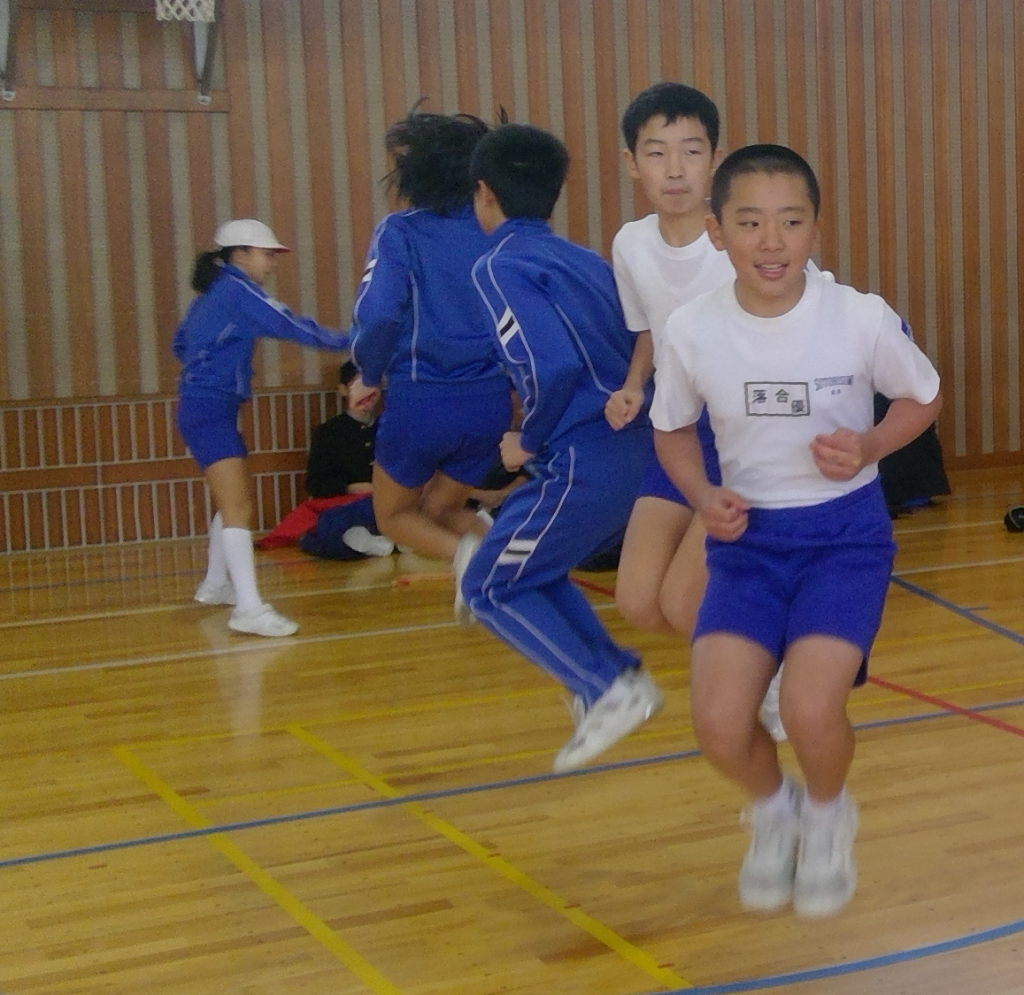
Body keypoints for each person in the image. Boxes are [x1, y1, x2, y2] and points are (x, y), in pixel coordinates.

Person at [651, 145, 941, 917]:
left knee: (812, 708)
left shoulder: (858, 316)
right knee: (719, 724)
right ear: (717, 231)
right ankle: (774, 809)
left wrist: (869, 446)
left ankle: (826, 813)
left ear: (816, 227)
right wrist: (702, 492)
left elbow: (922, 397)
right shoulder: (691, 329)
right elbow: (671, 429)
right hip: (745, 548)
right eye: (750, 222)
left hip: (843, 542)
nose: (772, 241)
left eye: (791, 220)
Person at [461, 123, 663, 772]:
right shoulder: (587, 261)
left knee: (488, 586)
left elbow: (551, 366)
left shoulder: (498, 265)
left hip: (581, 455)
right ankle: (610, 677)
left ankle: (606, 687)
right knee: (531, 572)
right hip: (634, 451)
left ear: (484, 193)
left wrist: (527, 440)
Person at [607, 82, 790, 741]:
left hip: (744, 430)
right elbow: (650, 331)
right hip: (675, 426)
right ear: (632, 163)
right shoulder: (629, 244)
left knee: (686, 602)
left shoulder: (742, 238)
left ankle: (770, 676)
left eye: (690, 151)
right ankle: (759, 654)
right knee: (637, 601)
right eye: (657, 153)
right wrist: (634, 384)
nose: (675, 169)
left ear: (716, 157)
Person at [348, 111, 512, 577]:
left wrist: (369, 374)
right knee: (442, 509)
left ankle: (470, 562)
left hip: (423, 397)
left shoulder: (400, 230)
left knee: (394, 516)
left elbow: (379, 315)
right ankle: (515, 573)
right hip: (491, 402)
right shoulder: (498, 233)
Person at [175, 218, 350, 637]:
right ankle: (248, 608)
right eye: (266, 254)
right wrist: (353, 340)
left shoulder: (210, 295)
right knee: (239, 506)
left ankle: (216, 584)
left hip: (205, 406)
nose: (272, 263)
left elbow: (179, 344)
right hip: (211, 408)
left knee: (230, 499)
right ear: (239, 255)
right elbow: (292, 326)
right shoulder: (238, 292)